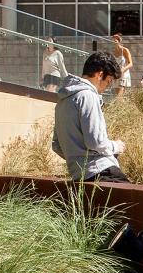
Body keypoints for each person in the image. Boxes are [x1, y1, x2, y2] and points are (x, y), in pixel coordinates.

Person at [51, 51, 128, 182]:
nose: (107, 87)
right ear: (100, 74)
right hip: (101, 172)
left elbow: (57, 145)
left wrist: (77, 158)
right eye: (108, 82)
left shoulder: (62, 101)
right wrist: (116, 146)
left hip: (79, 176)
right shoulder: (88, 96)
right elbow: (96, 141)